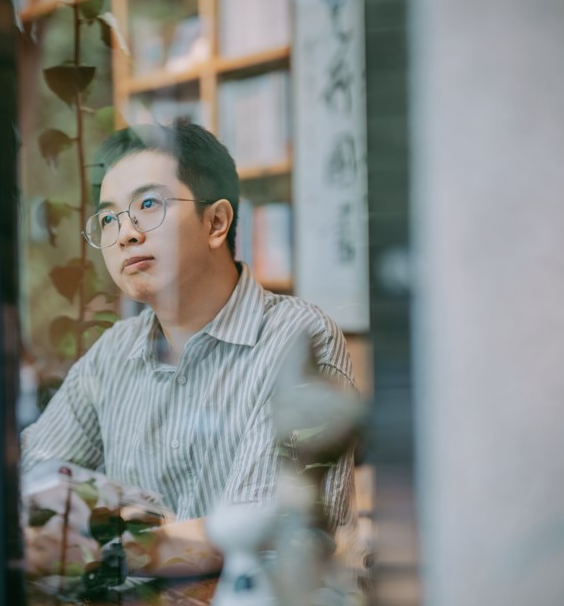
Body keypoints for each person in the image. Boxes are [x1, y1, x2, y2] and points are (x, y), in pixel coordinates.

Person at [19, 118, 358, 578]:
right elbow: (38, 475)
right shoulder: (114, 351)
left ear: (215, 222)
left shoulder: (297, 337)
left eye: (148, 205)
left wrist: (104, 552)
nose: (125, 234)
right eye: (109, 218)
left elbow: (270, 530)